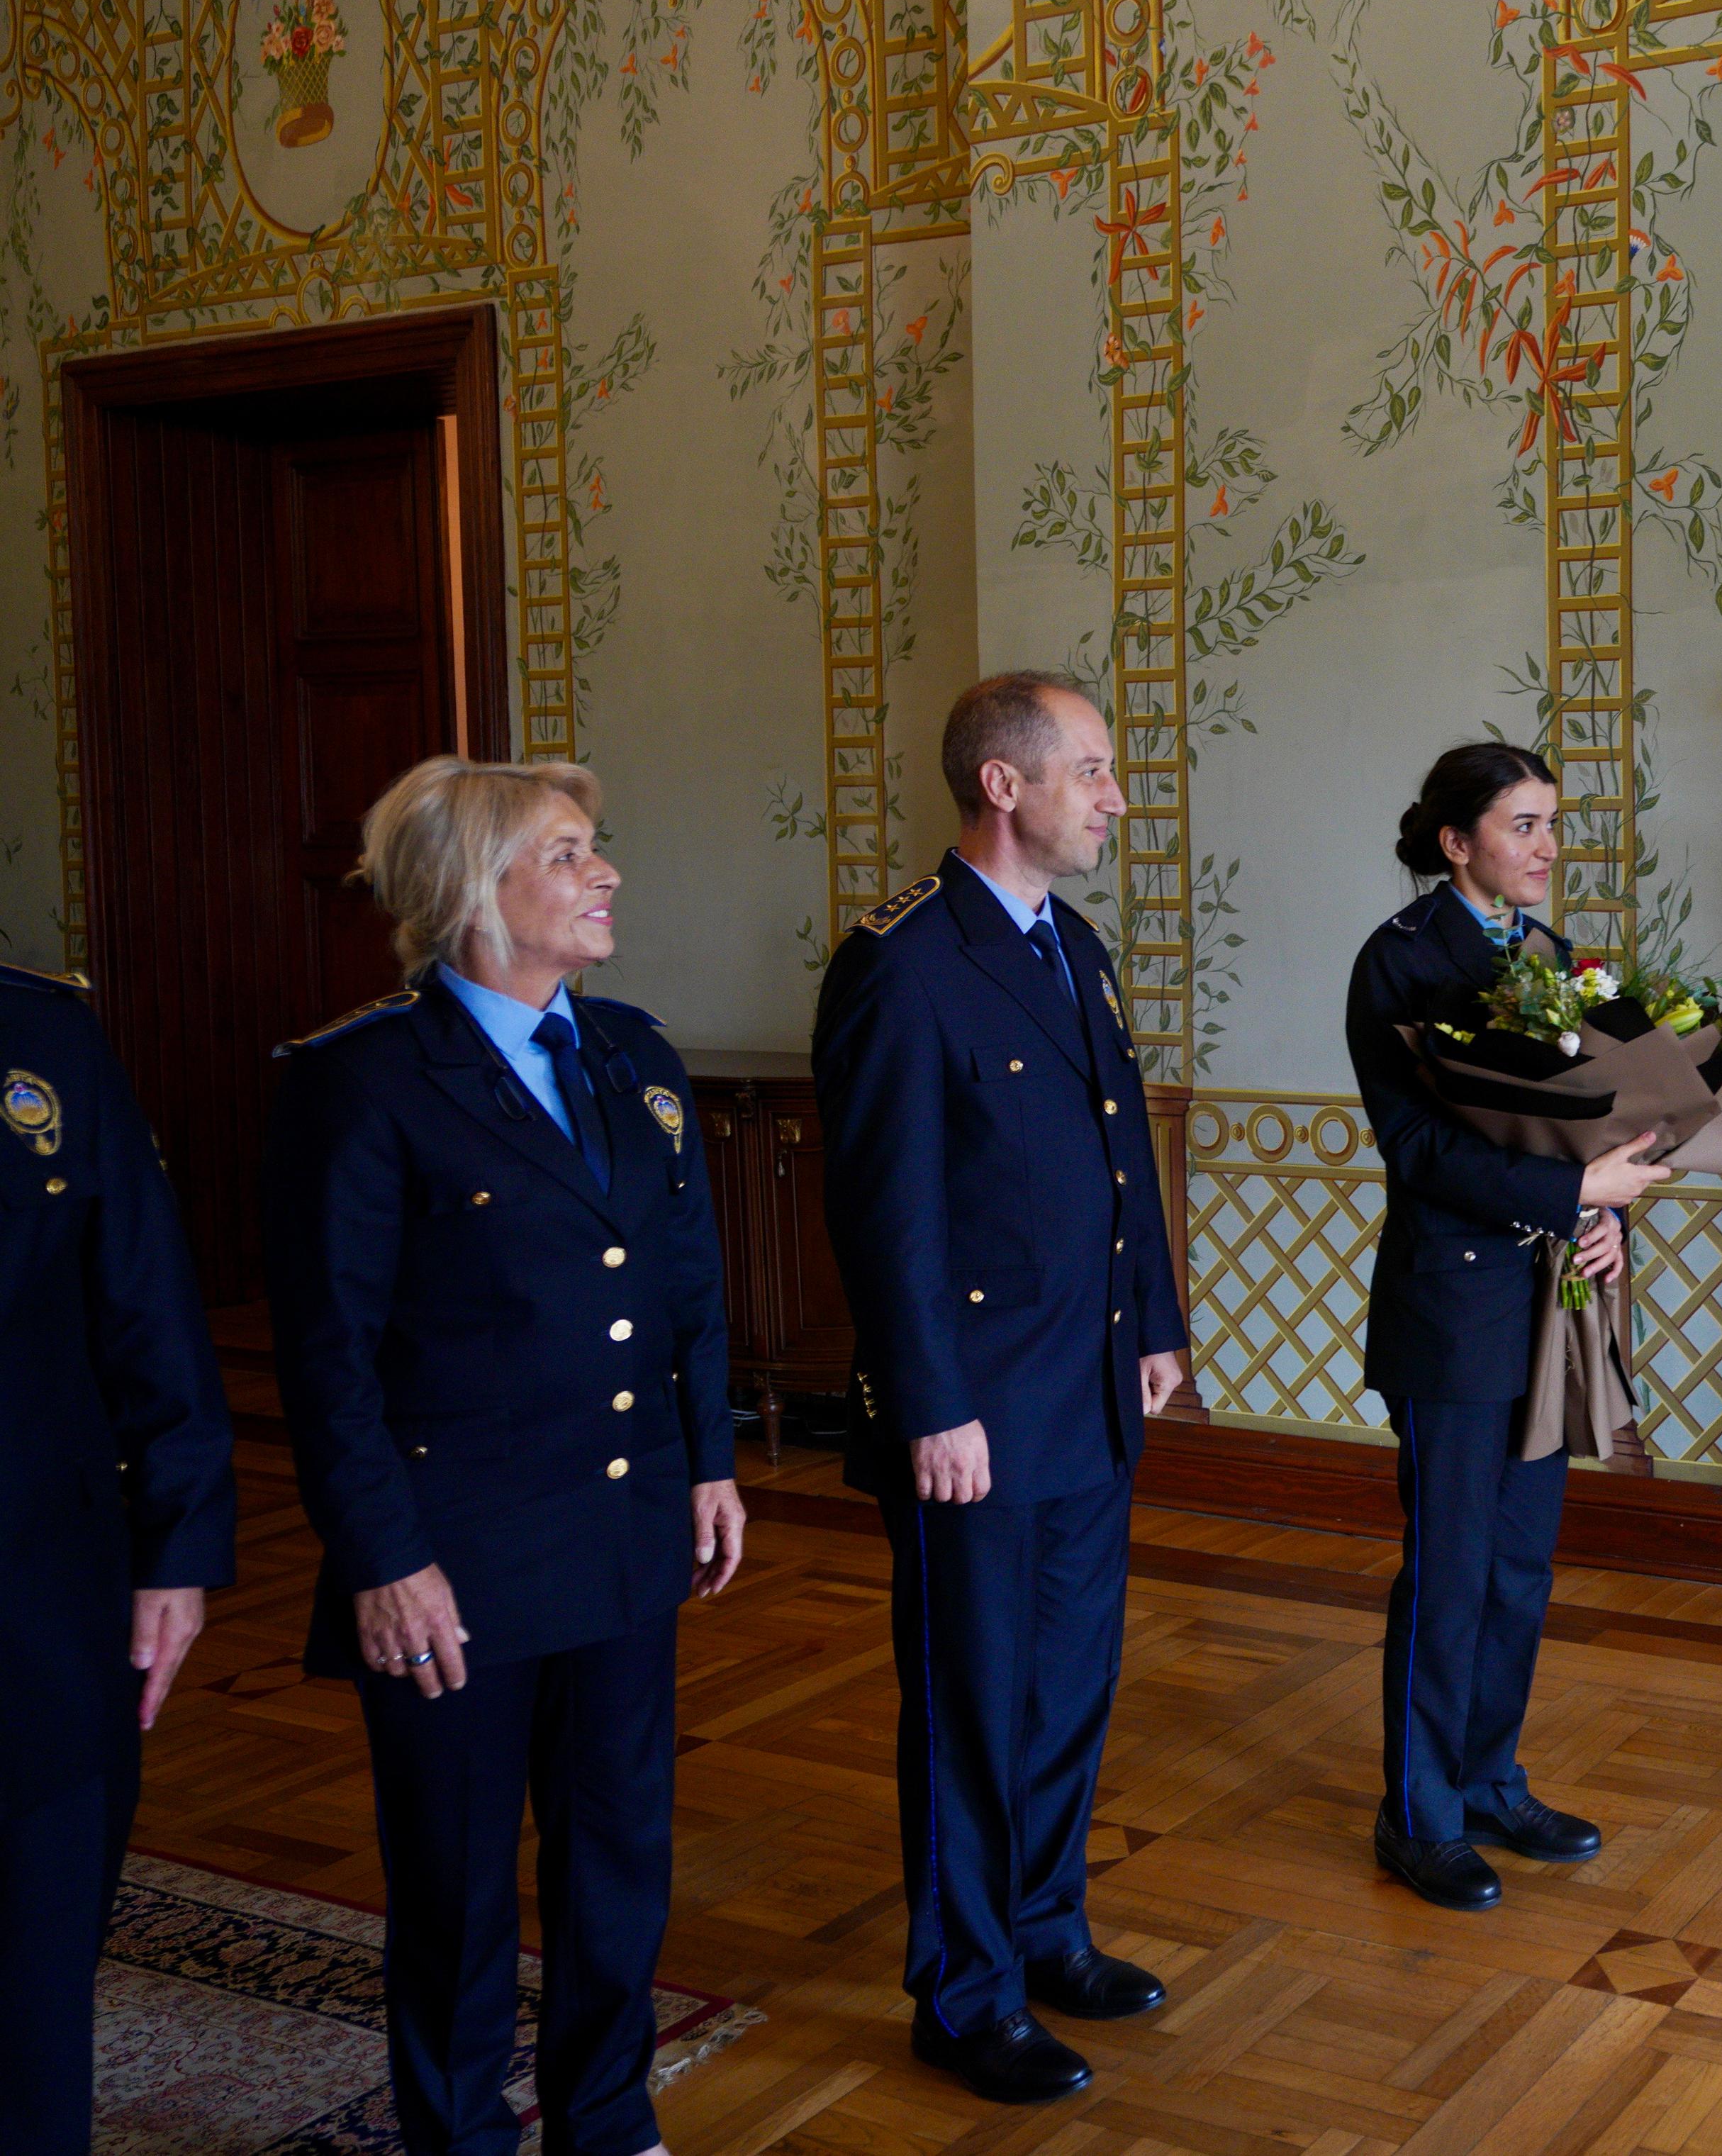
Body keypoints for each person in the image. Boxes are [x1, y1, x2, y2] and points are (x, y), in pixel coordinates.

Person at [264, 758, 742, 2156]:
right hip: (454, 1555)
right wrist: (383, 1559)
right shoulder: (359, 1082)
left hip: (620, 1530)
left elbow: (685, 1283)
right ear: (474, 890)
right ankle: (459, 2132)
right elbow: (329, 1355)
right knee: (457, 1881)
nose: (604, 875)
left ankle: (605, 2114)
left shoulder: (632, 1056)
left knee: (617, 1855)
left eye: (600, 847)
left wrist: (707, 1460)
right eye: (569, 852)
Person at [815, 674, 1190, 2104]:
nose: (1115, 796)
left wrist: (1153, 1320)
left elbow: (1116, 1157)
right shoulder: (901, 964)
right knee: (972, 1707)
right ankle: (962, 1993)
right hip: (969, 1416)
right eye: (1092, 770)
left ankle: (1044, 1932)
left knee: (1066, 1694)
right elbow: (885, 1215)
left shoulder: (1068, 944)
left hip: (1086, 1393)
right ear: (1005, 787)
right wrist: (927, 1404)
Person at [1343, 743, 1662, 1912]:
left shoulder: (1556, 961)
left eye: (1551, 824)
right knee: (1452, 1566)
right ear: (1455, 841)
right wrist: (1573, 1194)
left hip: (1551, 1302)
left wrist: (1609, 1216)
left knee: (1521, 1566)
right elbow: (1421, 1150)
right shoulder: (1399, 961)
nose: (1544, 845)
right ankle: (1417, 1813)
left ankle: (1489, 1778)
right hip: (1453, 1306)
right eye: (1522, 824)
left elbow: (1614, 1121)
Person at [2, 959, 233, 2156]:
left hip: (41, 1592)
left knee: (37, 1983)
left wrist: (180, 1547)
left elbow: (144, 1296)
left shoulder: (44, 1036)